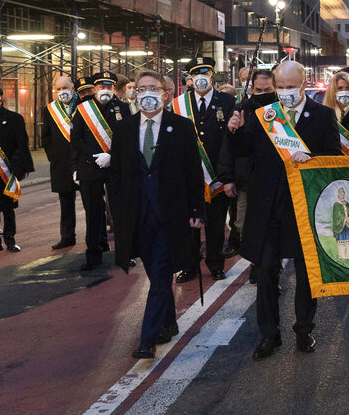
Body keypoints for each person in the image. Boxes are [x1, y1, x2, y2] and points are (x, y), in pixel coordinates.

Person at [227, 60, 340, 360]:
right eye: (281, 86)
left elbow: (332, 158)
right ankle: (269, 335)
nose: (285, 92)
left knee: (306, 273)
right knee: (264, 272)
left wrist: (312, 157)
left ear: (304, 83)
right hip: (267, 207)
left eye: (291, 86)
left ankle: (304, 329)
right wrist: (235, 131)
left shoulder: (323, 116)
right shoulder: (265, 115)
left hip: (304, 208)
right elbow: (243, 150)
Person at [109, 70, 204, 360]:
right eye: (141, 88)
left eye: (153, 87)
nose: (146, 92)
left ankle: (147, 338)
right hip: (139, 216)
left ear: (165, 93)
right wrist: (118, 216)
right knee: (154, 273)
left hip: (170, 215)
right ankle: (169, 323)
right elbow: (117, 177)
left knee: (162, 275)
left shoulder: (182, 127)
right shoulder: (124, 129)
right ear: (133, 93)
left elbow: (192, 171)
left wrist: (197, 210)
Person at [171, 57, 236, 282]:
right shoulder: (179, 104)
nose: (200, 78)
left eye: (205, 73)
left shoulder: (227, 101)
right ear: (190, 78)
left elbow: (232, 140)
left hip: (217, 175)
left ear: (212, 75)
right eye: (196, 74)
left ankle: (216, 264)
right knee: (189, 224)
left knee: (216, 225)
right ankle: (188, 266)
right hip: (189, 176)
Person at [70, 71, 132, 270]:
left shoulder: (123, 108)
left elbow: (129, 138)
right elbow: (76, 140)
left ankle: (125, 254)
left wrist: (112, 156)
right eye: (101, 87)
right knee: (93, 212)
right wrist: (94, 156)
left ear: (114, 89)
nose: (105, 90)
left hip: (115, 167)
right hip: (90, 166)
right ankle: (93, 254)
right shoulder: (82, 109)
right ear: (94, 89)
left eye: (109, 87)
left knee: (120, 211)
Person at [217, 69, 276, 274]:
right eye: (258, 89)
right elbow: (228, 147)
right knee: (242, 225)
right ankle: (255, 261)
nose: (262, 92)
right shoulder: (241, 109)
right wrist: (227, 178)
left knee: (270, 227)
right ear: (251, 88)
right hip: (245, 181)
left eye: (267, 89)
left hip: (272, 181)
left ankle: (266, 268)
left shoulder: (280, 110)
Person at [0, 83, 33, 252]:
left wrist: (25, 166)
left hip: (7, 171)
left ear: (1, 99)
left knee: (8, 207)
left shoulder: (14, 118)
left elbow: (22, 144)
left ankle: (10, 239)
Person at [42, 75, 79, 249]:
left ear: (72, 88)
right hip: (61, 164)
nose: (62, 92)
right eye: (58, 89)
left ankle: (97, 238)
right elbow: (46, 137)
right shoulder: (50, 109)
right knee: (65, 203)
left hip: (82, 161)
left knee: (92, 202)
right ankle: (67, 236)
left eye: (65, 88)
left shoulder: (83, 106)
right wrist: (53, 156)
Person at [322, 70, 349, 154]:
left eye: (348, 87)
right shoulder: (323, 113)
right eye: (340, 88)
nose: (344, 91)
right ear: (333, 91)